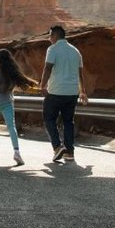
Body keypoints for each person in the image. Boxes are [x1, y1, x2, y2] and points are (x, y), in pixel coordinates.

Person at [39, 24, 89, 162]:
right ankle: (70, 153)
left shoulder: (52, 49)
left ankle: (57, 147)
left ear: (55, 35)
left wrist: (42, 85)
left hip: (56, 91)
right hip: (72, 93)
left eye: (50, 35)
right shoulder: (76, 51)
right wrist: (82, 91)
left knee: (49, 119)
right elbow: (80, 74)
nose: (49, 38)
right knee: (68, 122)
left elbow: (47, 68)